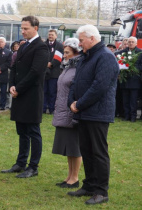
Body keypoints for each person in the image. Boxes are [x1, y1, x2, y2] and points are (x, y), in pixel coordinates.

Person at [67, 25, 119, 205]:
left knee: (98, 152)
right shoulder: (86, 56)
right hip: (83, 112)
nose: (79, 44)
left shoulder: (105, 56)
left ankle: (101, 191)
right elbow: (75, 81)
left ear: (92, 38)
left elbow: (100, 87)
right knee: (86, 151)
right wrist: (71, 102)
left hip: (98, 113)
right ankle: (89, 185)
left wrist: (78, 104)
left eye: (81, 40)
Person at [1, 16, 49, 178]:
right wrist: (12, 86)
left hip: (32, 95)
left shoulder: (41, 47)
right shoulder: (23, 46)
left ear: (36, 28)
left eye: (26, 28)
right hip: (19, 93)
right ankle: (20, 163)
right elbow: (14, 67)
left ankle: (33, 166)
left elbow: (36, 72)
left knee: (33, 131)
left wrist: (19, 88)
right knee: (22, 130)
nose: (23, 31)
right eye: (22, 28)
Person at [52, 38, 81, 189]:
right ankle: (69, 176)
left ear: (76, 53)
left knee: (74, 147)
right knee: (68, 147)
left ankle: (75, 178)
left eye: (67, 52)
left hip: (72, 111)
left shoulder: (78, 68)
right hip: (63, 110)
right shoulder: (67, 67)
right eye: (64, 52)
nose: (64, 55)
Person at [115, 36, 142, 122]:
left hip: (135, 80)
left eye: (132, 42)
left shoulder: (140, 53)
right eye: (129, 42)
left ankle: (133, 117)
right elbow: (117, 61)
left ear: (136, 43)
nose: (130, 43)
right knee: (125, 100)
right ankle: (126, 116)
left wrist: (133, 68)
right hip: (124, 80)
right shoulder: (122, 52)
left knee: (133, 100)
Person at [43, 29, 64, 114]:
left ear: (56, 36)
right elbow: (40, 56)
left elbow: (59, 58)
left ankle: (52, 109)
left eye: (52, 35)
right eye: (49, 34)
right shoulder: (43, 45)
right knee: (44, 91)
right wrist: (45, 64)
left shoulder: (59, 45)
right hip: (44, 72)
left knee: (52, 92)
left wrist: (51, 64)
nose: (50, 36)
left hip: (54, 73)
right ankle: (43, 109)